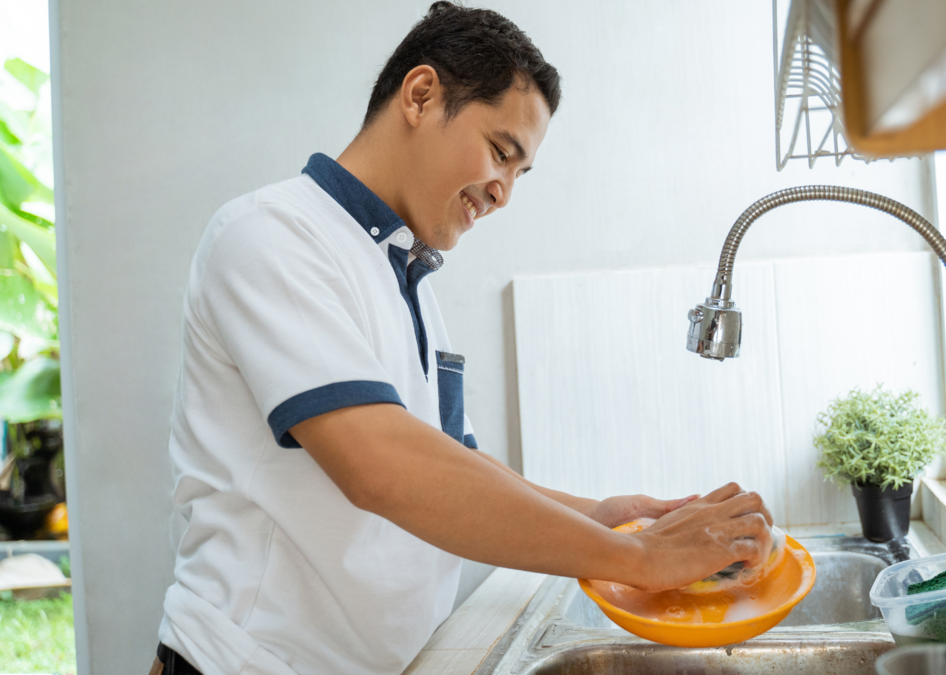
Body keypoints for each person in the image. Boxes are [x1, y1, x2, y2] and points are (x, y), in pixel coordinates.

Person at [151, 3, 773, 674]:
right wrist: (638, 558)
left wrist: (601, 514)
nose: (504, 192)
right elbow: (384, 467)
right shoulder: (271, 234)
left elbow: (455, 466)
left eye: (520, 172)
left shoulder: (407, 276)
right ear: (420, 96)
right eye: (502, 152)